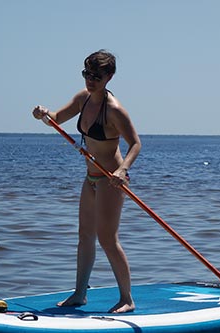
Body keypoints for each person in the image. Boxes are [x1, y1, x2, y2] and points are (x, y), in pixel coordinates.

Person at [32, 50, 142, 313]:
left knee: (107, 239)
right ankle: (80, 294)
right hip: (91, 178)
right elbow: (56, 119)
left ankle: (127, 299)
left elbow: (136, 144)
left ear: (109, 77)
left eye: (96, 76)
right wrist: (43, 113)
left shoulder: (114, 111)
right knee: (84, 236)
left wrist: (123, 171)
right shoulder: (83, 99)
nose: (90, 80)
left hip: (110, 180)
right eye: (86, 74)